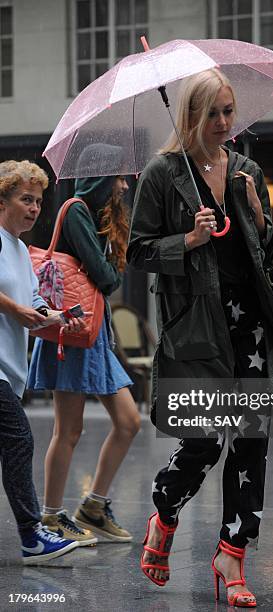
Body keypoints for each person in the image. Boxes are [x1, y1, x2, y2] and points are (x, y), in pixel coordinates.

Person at [127, 69, 273, 608]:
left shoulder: (247, 170)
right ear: (191, 116)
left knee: (251, 439)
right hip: (196, 328)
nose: (224, 123)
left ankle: (232, 551)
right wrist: (189, 238)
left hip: (250, 323)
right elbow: (138, 252)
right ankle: (165, 506)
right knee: (203, 439)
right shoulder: (162, 174)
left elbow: (266, 254)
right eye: (213, 114)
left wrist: (257, 220)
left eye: (229, 111)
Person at [28, 147, 141, 545]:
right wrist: (108, 259)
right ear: (99, 176)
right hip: (72, 334)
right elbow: (107, 279)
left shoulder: (95, 218)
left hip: (93, 335)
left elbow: (108, 273)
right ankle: (52, 516)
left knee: (129, 422)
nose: (124, 185)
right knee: (68, 430)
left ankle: (93, 507)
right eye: (118, 177)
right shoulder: (76, 211)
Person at [0, 159, 79, 564]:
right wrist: (15, 309)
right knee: (19, 440)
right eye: (25, 199)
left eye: (38, 201)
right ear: (2, 201)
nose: (34, 208)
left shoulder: (18, 249)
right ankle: (32, 536)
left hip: (10, 370)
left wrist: (57, 315)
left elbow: (33, 303)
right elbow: (16, 306)